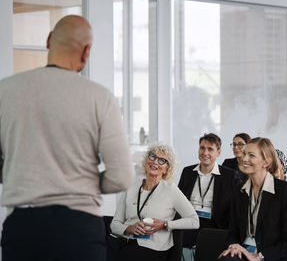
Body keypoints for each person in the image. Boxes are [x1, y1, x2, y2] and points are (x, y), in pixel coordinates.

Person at [0, 15, 134, 261]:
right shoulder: (99, 98)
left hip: (23, 227)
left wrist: (23, 175)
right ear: (86, 51)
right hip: (79, 228)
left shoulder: (5, 91)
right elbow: (122, 176)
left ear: (49, 40)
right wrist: (77, 182)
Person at [110, 144, 199, 261]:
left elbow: (194, 221)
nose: (155, 162)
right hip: (125, 242)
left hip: (154, 248)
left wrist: (165, 224)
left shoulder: (171, 190)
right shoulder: (130, 188)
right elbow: (114, 224)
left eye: (162, 160)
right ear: (147, 160)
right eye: (152, 157)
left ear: (167, 168)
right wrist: (128, 229)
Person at [219, 137, 287, 261]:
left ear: (266, 162)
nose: (244, 158)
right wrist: (234, 245)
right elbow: (233, 231)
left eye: (251, 155)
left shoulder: (285, 190)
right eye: (244, 153)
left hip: (270, 256)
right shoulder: (239, 190)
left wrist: (259, 257)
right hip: (244, 252)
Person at [178, 133, 237, 248]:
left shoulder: (229, 176)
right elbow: (178, 201)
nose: (205, 153)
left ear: (218, 152)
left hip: (214, 225)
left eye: (210, 149)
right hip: (189, 221)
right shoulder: (188, 172)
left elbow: (234, 208)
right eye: (202, 148)